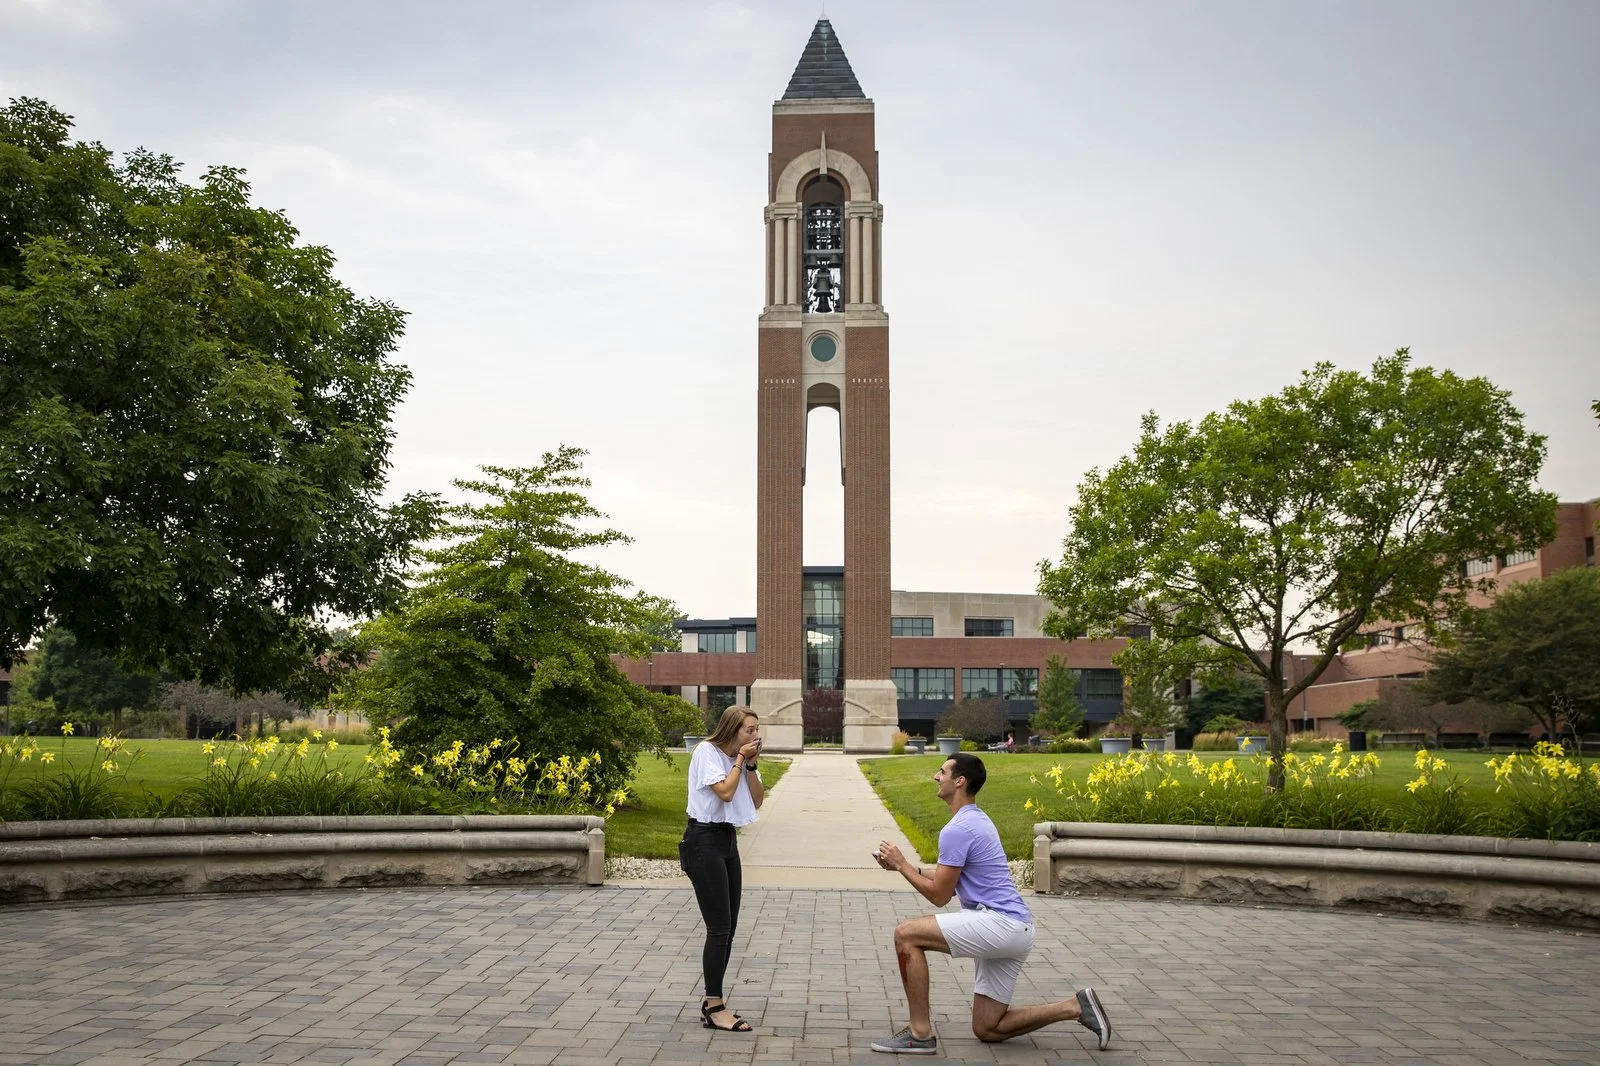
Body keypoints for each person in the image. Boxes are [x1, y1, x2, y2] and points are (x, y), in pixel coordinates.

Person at [870, 752, 1111, 1054]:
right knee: (988, 1027)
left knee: (906, 935)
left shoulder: (957, 829)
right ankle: (1075, 1006)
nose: (936, 776)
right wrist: (905, 867)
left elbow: (940, 896)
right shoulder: (975, 819)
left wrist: (903, 865)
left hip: (999, 923)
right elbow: (949, 877)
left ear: (959, 781)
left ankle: (919, 1034)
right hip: (1015, 929)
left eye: (941, 771)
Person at [679, 705, 765, 1033]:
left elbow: (756, 800)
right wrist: (740, 760)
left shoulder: (742, 761)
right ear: (733, 730)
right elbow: (726, 793)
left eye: (757, 730)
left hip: (728, 841)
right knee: (718, 928)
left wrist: (751, 766)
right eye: (749, 730)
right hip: (702, 842)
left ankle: (714, 1001)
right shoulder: (707, 752)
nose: (755, 736)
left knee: (729, 927)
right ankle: (714, 1005)